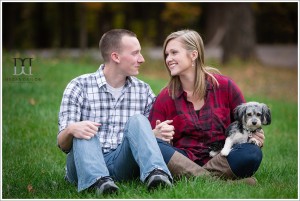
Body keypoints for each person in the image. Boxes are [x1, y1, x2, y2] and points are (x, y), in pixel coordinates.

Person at [57, 29, 173, 195]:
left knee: (139, 121)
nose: (142, 59)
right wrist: (71, 129)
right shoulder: (78, 86)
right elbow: (63, 144)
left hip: (122, 162)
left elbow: (146, 135)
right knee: (84, 131)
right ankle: (97, 182)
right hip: (82, 165)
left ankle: (157, 175)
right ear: (116, 57)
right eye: (135, 53)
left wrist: (156, 133)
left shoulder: (143, 90)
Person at [148, 29, 265, 184]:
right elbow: (150, 141)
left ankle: (193, 178)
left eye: (174, 53)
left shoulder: (225, 86)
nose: (168, 59)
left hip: (222, 157)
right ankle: (219, 183)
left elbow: (246, 123)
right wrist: (156, 134)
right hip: (182, 160)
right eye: (166, 55)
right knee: (155, 147)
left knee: (252, 153)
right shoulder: (165, 97)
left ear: (193, 55)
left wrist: (256, 136)